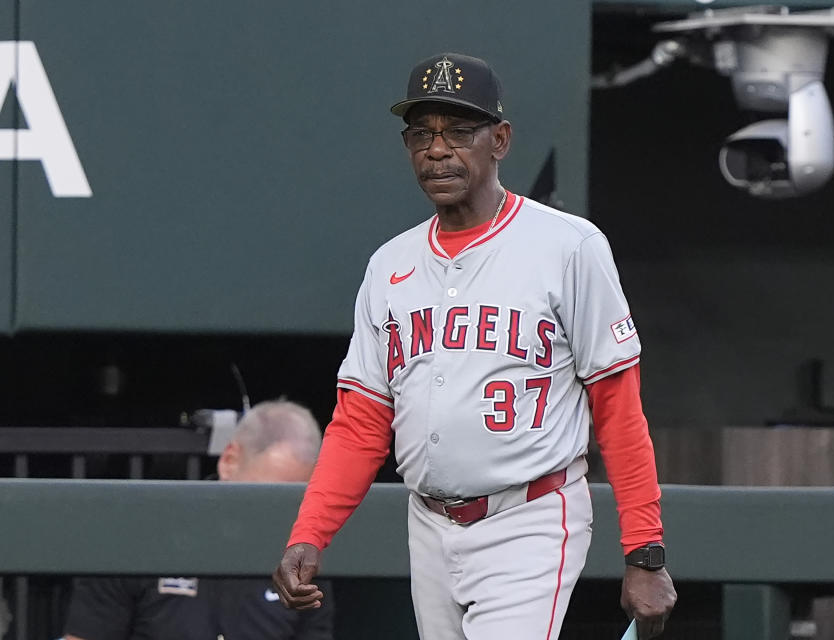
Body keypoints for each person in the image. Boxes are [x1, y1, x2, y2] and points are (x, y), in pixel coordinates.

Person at [273, 52, 676, 640]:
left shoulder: (567, 246)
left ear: (500, 140)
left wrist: (645, 552)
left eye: (459, 131)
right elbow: (361, 421)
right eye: (421, 134)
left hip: (530, 515)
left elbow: (618, 408)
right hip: (430, 525)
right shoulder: (390, 266)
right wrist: (309, 533)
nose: (437, 150)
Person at [62, 401, 335, 640]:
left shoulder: (302, 558)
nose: (279, 512)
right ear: (229, 460)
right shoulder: (142, 536)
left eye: (296, 500)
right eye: (269, 495)